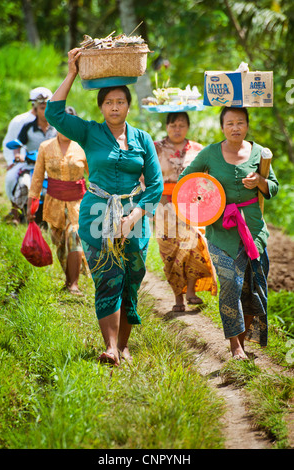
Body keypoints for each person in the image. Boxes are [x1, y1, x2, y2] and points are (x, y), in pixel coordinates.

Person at [45, 48, 163, 366]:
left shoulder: (143, 139)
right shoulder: (90, 132)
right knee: (107, 275)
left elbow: (155, 185)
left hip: (134, 216)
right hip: (97, 212)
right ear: (102, 107)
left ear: (128, 106)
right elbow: (54, 113)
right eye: (109, 102)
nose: (115, 107)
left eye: (120, 102)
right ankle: (110, 347)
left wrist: (135, 214)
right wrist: (71, 71)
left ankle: (124, 344)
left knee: (131, 276)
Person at [179, 106, 279, 360]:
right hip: (220, 230)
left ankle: (244, 343)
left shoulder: (260, 153)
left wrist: (260, 182)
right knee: (230, 286)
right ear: (222, 127)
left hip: (254, 231)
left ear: (247, 125)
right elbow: (186, 180)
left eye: (240, 123)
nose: (236, 127)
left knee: (252, 287)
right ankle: (234, 346)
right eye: (230, 123)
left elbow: (274, 187)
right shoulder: (210, 153)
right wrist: (207, 200)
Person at [154, 112, 217, 311]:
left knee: (192, 247)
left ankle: (191, 291)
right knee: (170, 252)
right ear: (166, 127)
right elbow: (145, 175)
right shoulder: (156, 148)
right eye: (173, 125)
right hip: (163, 206)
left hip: (192, 206)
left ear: (187, 127)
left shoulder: (198, 150)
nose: (177, 129)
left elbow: (207, 179)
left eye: (181, 125)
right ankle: (178, 298)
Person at [27, 106, 89, 295]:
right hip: (53, 204)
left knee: (74, 237)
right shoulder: (46, 147)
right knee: (60, 244)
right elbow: (37, 177)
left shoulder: (83, 147)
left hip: (78, 204)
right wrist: (32, 204)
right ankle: (69, 280)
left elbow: (93, 175)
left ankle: (74, 284)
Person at [2, 87, 52, 224]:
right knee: (22, 184)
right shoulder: (26, 125)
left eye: (47, 106)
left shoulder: (56, 127)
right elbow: (15, 143)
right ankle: (15, 214)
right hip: (30, 164)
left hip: (51, 167)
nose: (44, 110)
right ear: (35, 108)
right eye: (41, 107)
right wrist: (16, 157)